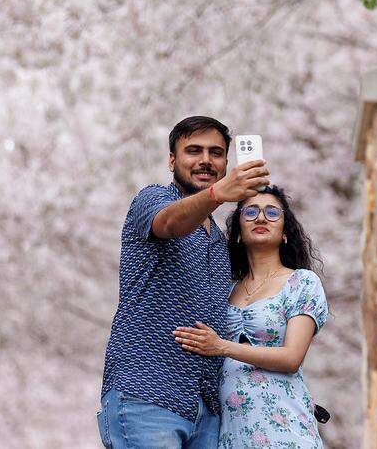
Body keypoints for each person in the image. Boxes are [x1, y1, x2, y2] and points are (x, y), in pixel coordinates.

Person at [98, 116, 269, 449]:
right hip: (147, 393)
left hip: (205, 408)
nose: (205, 160)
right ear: (172, 160)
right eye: (194, 150)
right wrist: (219, 194)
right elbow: (171, 222)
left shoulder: (220, 241)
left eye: (216, 153)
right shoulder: (150, 200)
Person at [173, 186, 329, 448]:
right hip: (230, 431)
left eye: (272, 212)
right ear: (238, 233)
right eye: (251, 212)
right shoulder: (226, 289)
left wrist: (221, 346)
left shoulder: (301, 282)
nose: (260, 218)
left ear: (286, 232)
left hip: (284, 427)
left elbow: (291, 358)